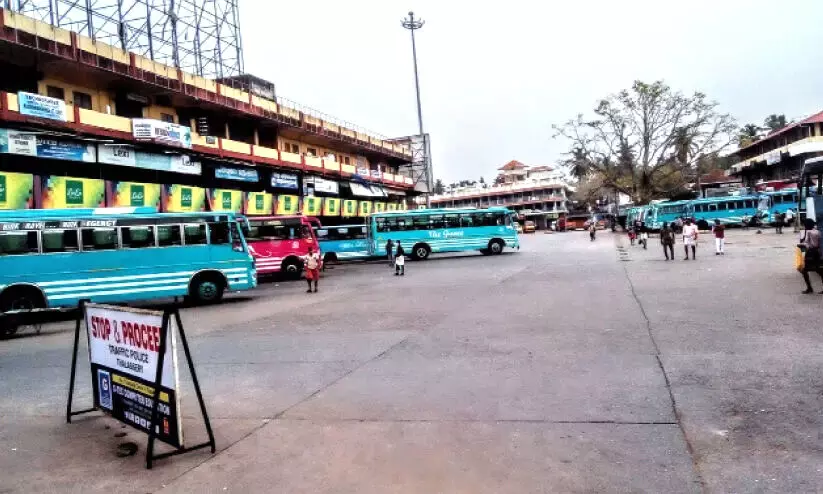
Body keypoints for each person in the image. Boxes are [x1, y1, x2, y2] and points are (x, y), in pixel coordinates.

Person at [799, 218, 823, 294]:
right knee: (818, 269)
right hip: (817, 252)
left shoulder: (808, 232)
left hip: (810, 252)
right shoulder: (818, 232)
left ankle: (809, 288)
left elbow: (806, 243)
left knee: (804, 270)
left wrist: (800, 244)